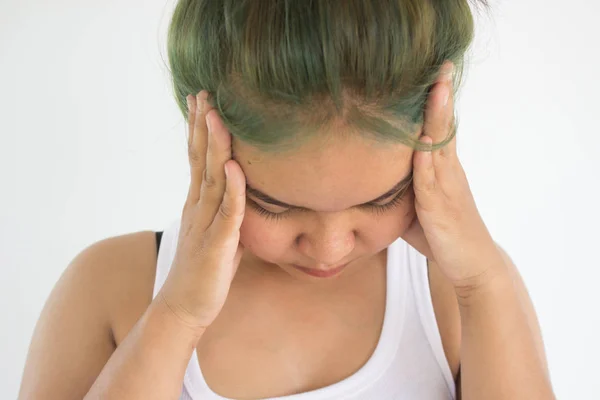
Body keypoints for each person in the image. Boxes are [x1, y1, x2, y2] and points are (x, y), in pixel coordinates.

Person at [18, 1, 555, 399]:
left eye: (380, 200)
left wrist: (483, 285)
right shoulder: (111, 288)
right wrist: (178, 314)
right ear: (203, 141)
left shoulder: (459, 294)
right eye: (276, 207)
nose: (329, 248)